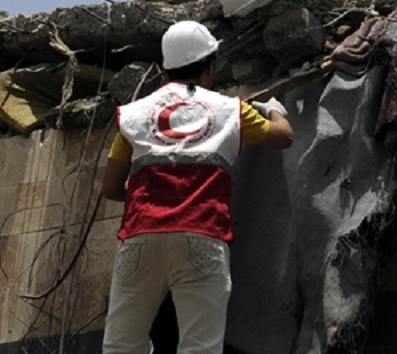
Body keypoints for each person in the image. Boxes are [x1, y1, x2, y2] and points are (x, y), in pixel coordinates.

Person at [100, 20, 294, 354]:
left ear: (166, 69)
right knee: (200, 348)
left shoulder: (133, 115)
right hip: (201, 235)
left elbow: (111, 188)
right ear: (210, 68)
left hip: (140, 237)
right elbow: (284, 137)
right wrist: (274, 110)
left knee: (121, 346)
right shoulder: (230, 109)